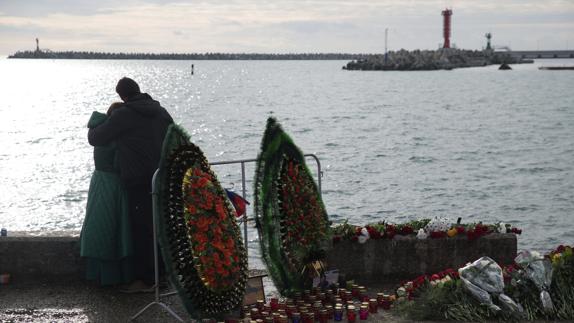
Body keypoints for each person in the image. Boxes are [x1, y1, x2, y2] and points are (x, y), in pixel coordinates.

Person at [88, 77, 174, 292]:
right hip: (161, 177)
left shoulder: (124, 114)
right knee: (158, 228)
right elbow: (174, 137)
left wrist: (93, 124)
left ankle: (146, 281)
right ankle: (161, 275)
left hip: (138, 179)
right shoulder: (161, 111)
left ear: (121, 96)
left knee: (141, 231)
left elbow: (96, 138)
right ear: (138, 90)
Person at [80, 102, 134, 286]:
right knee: (116, 228)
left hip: (98, 181)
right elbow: (121, 163)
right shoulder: (115, 139)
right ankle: (118, 275)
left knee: (99, 224)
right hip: (114, 184)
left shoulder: (98, 133)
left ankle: (97, 273)